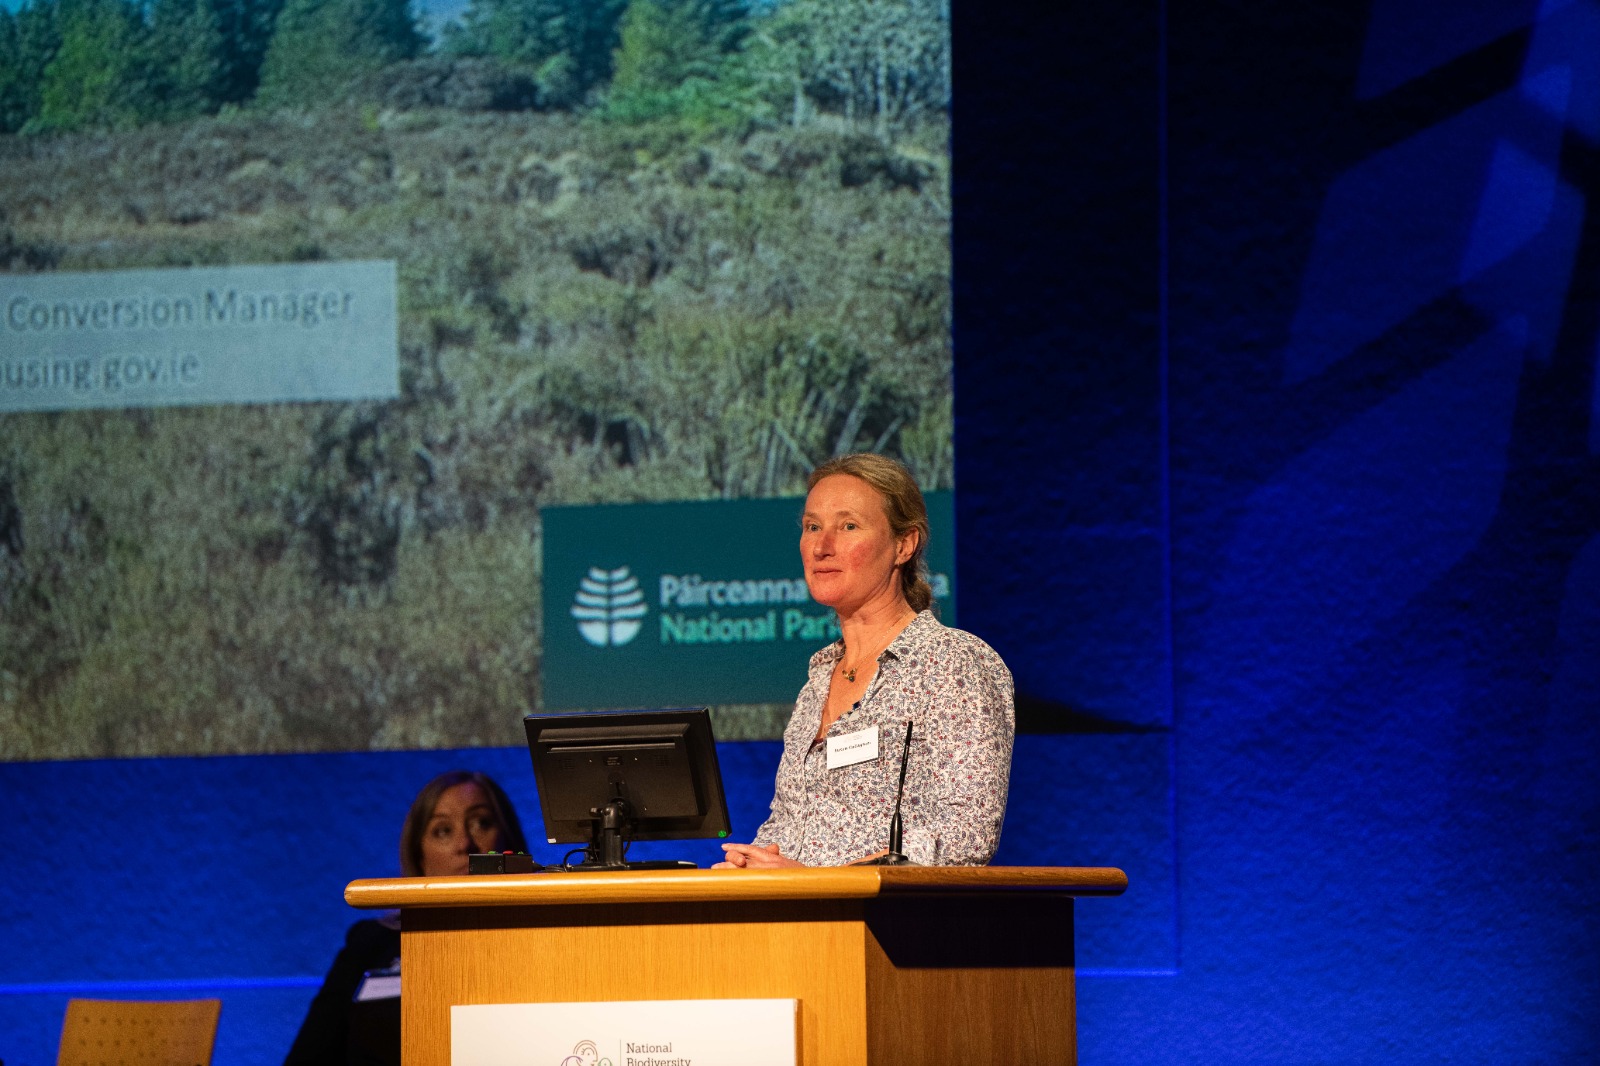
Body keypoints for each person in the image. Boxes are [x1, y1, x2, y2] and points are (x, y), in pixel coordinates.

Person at [716, 454, 1014, 869]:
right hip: (800, 924)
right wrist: (753, 862)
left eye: (849, 526)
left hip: (890, 925)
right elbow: (790, 825)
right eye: (812, 527)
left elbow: (966, 835)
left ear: (903, 545)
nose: (822, 547)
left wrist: (813, 882)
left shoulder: (953, 664)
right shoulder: (819, 679)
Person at [284, 770, 529, 1066]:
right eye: (442, 830)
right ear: (420, 855)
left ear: (509, 840)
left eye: (481, 823)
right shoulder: (371, 943)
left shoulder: (540, 939)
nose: (464, 843)